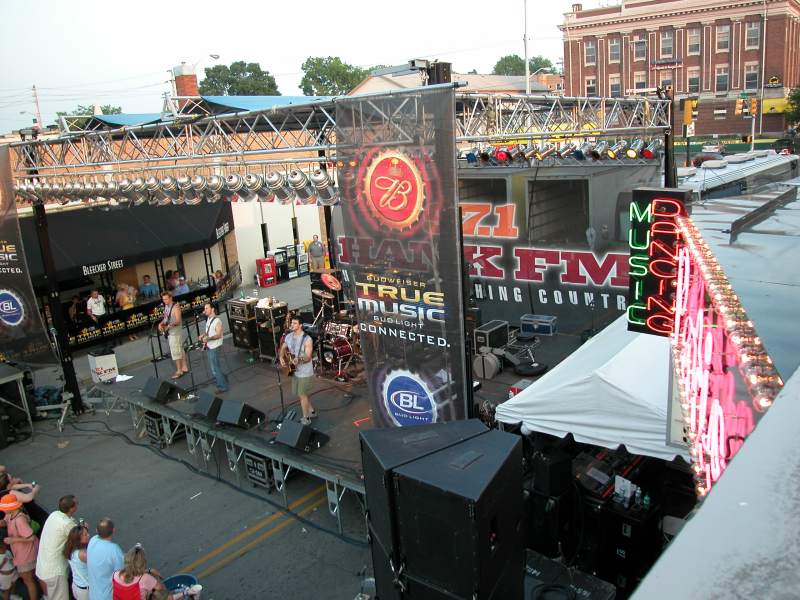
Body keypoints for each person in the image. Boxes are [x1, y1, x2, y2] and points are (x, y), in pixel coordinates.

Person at [35, 494, 78, 600]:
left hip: (42, 566)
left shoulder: (54, 515)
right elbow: (78, 538)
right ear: (72, 508)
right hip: (55, 572)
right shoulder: (68, 525)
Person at [0, 494, 39, 600]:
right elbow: (5, 521)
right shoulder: (11, 514)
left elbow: (30, 537)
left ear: (10, 508)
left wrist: (13, 540)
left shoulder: (19, 520)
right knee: (30, 577)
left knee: (28, 579)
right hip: (22, 552)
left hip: (26, 553)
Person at [280, 315, 316, 424]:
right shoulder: (289, 336)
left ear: (300, 325)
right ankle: (312, 411)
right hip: (295, 371)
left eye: (295, 323)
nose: (292, 325)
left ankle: (306, 418)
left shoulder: (307, 339)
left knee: (302, 395)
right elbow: (283, 348)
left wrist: (299, 360)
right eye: (291, 323)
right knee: (302, 394)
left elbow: (308, 357)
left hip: (305, 372)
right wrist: (282, 357)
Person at [87, 518, 123, 600]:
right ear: (114, 530)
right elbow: (121, 574)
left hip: (93, 595)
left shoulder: (93, 540)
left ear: (96, 530)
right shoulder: (114, 550)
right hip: (108, 596)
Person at [200, 303, 228, 393]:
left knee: (215, 368)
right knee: (214, 367)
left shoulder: (217, 321)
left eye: (207, 308)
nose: (205, 310)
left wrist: (209, 338)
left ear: (212, 309)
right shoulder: (208, 319)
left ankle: (222, 387)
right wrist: (203, 335)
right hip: (210, 345)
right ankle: (223, 379)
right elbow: (208, 331)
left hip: (215, 346)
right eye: (205, 308)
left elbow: (218, 335)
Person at [158, 293, 187, 380]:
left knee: (175, 352)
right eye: (163, 299)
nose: (165, 301)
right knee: (180, 349)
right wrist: (161, 323)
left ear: (171, 298)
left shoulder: (176, 307)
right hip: (171, 332)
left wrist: (169, 326)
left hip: (175, 332)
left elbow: (178, 321)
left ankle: (179, 371)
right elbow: (166, 318)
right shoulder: (167, 307)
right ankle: (184, 367)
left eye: (166, 299)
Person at [64, 524, 90, 600]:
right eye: (85, 535)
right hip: (85, 590)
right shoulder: (82, 554)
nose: (88, 535)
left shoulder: (70, 548)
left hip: (76, 585)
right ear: (79, 540)